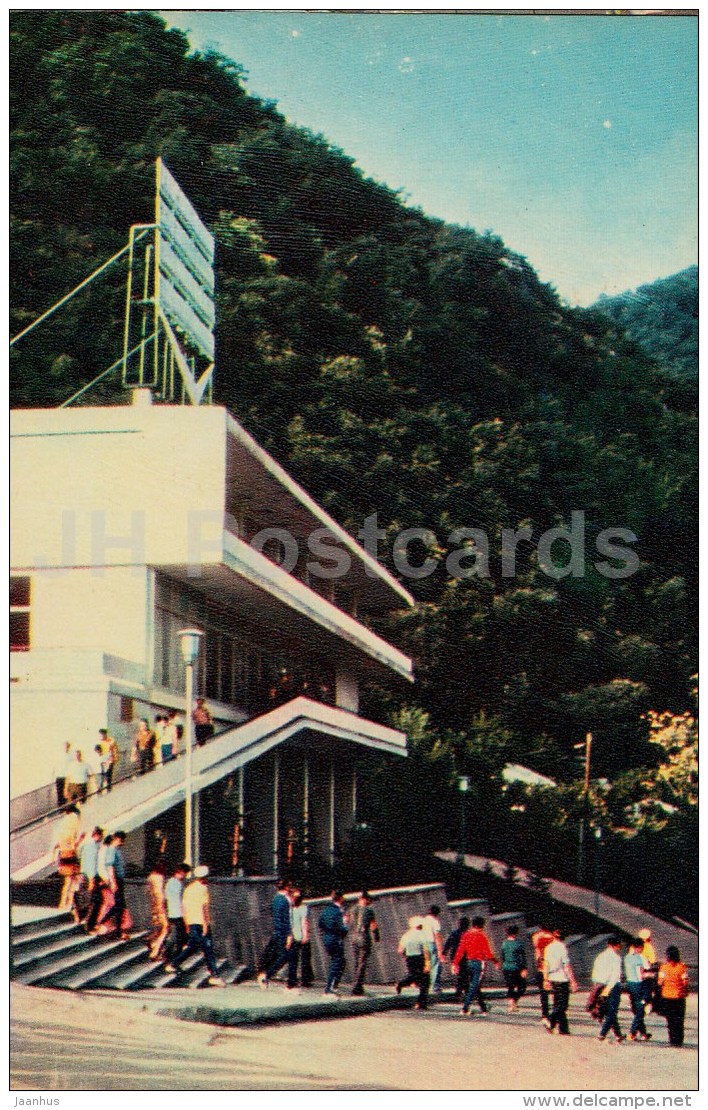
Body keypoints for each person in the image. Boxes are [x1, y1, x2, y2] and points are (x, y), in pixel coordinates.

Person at [164, 865, 225, 986]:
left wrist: (187, 923)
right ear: (204, 877)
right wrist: (206, 924)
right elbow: (204, 908)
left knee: (192, 946)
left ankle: (173, 964)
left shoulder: (188, 888)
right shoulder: (203, 889)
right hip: (201, 922)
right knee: (208, 948)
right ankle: (215, 975)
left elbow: (184, 907)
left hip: (191, 922)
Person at [452, 916, 498, 1016]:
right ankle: (465, 1008)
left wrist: (455, 963)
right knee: (475, 986)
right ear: (482, 925)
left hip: (469, 962)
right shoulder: (481, 936)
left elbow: (460, 950)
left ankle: (483, 1008)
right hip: (479, 963)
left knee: (475, 986)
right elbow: (487, 953)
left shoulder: (466, 935)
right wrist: (495, 961)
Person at [257, 880, 293, 989]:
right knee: (285, 956)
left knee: (276, 954)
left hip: (277, 931)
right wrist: (289, 935)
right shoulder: (284, 900)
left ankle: (264, 973)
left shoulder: (276, 899)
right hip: (282, 932)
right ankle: (266, 975)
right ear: (286, 887)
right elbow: (286, 920)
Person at [543, 929, 578, 1035]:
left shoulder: (548, 948)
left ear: (554, 937)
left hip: (552, 977)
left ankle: (562, 1028)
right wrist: (573, 981)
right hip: (562, 978)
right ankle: (550, 1019)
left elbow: (546, 964)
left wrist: (546, 979)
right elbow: (566, 966)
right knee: (563, 1005)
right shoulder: (562, 948)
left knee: (557, 1004)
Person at [592, 936, 626, 1043]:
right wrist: (609, 988)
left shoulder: (600, 956)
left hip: (600, 984)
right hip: (613, 986)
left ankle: (618, 1035)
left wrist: (597, 985)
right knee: (612, 1011)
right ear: (616, 945)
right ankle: (602, 1034)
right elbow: (615, 975)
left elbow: (595, 972)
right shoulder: (616, 958)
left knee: (607, 1011)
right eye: (619, 945)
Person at [318, 890, 349, 997]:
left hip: (326, 937)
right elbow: (343, 929)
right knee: (336, 962)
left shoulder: (326, 910)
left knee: (340, 961)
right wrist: (345, 924)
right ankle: (329, 988)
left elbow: (320, 923)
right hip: (336, 938)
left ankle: (334, 985)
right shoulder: (339, 912)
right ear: (340, 898)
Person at [52, 804, 84, 909]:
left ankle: (63, 903)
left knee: (68, 881)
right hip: (71, 855)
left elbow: (57, 845)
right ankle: (70, 903)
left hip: (63, 855)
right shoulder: (73, 824)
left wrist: (53, 857)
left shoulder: (63, 825)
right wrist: (81, 839)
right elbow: (74, 845)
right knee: (75, 881)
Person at [396, 916, 430, 1010]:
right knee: (425, 980)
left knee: (413, 975)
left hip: (409, 957)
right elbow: (426, 949)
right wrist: (427, 963)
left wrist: (406, 956)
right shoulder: (421, 934)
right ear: (419, 925)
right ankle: (421, 1003)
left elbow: (400, 950)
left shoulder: (406, 935)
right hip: (420, 957)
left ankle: (401, 983)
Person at [658, 946, 689, 1047]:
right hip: (679, 997)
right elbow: (685, 982)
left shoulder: (664, 967)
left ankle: (672, 1040)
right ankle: (679, 1040)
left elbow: (660, 982)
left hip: (667, 997)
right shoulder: (682, 967)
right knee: (679, 1020)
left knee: (670, 1020)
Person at [350, 890, 380, 996]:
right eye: (369, 899)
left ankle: (356, 984)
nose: (370, 901)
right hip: (364, 937)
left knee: (356, 962)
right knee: (362, 963)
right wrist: (376, 936)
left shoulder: (352, 909)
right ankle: (357, 986)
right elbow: (373, 925)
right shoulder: (369, 910)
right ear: (365, 899)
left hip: (354, 937)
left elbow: (350, 923)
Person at [101, 830, 130, 939]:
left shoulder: (116, 850)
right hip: (116, 880)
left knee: (120, 906)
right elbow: (110, 866)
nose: (122, 843)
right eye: (122, 840)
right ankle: (103, 921)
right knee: (119, 905)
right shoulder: (112, 850)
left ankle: (118, 930)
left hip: (119, 880)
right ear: (117, 839)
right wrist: (113, 882)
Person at [625, 936, 652, 1041]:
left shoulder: (627, 957)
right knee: (640, 1010)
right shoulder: (641, 957)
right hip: (639, 985)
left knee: (637, 1009)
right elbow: (643, 973)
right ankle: (632, 1032)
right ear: (641, 947)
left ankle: (644, 1033)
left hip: (630, 985)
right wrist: (651, 975)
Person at [163, 862, 190, 965]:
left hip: (171, 912)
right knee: (180, 937)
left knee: (177, 936)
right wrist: (185, 914)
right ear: (181, 872)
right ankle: (173, 957)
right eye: (185, 873)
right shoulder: (178, 884)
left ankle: (169, 954)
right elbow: (181, 901)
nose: (186, 876)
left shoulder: (169, 882)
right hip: (178, 913)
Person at [78, 825, 104, 931]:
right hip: (89, 876)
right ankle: (87, 923)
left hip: (84, 875)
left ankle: (84, 920)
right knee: (91, 900)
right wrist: (92, 879)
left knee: (86, 898)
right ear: (97, 835)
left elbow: (80, 857)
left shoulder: (86, 844)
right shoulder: (92, 846)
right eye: (101, 836)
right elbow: (91, 864)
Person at [286, 888, 309, 992]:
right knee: (304, 960)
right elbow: (304, 922)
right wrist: (306, 936)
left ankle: (291, 981)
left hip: (292, 937)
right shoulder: (303, 908)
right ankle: (305, 980)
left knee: (293, 960)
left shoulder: (289, 909)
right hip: (300, 936)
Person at [501, 924, 528, 1012]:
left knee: (510, 986)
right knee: (522, 987)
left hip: (506, 967)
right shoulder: (518, 944)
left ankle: (511, 1004)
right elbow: (522, 958)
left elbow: (502, 956)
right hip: (517, 967)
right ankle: (514, 1002)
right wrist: (524, 968)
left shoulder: (504, 943)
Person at [146, 859, 169, 960]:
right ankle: (155, 951)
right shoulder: (159, 877)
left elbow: (148, 891)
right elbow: (159, 893)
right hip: (159, 906)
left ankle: (152, 942)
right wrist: (162, 906)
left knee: (159, 928)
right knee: (166, 928)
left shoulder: (150, 877)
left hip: (153, 905)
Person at [444, 916, 470, 1002]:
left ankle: (461, 993)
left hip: (454, 956)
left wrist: (444, 952)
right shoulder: (467, 934)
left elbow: (448, 943)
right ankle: (461, 993)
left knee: (461, 975)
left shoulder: (454, 933)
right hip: (464, 956)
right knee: (463, 975)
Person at [532, 925, 555, 1023]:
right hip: (552, 969)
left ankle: (545, 1014)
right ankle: (555, 1014)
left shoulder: (536, 937)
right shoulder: (554, 939)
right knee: (555, 993)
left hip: (541, 968)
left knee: (543, 993)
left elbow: (537, 954)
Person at [422, 904, 446, 994]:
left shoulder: (424, 921)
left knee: (427, 965)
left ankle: (426, 986)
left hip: (424, 944)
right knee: (436, 965)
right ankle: (435, 987)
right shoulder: (435, 921)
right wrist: (440, 951)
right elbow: (437, 936)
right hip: (432, 944)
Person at [638, 927, 659, 1010]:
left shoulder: (633, 947)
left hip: (635, 974)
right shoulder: (649, 947)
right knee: (647, 990)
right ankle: (645, 1003)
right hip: (646, 973)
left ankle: (639, 1003)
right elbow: (652, 960)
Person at [53, 742, 72, 808]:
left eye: (67, 746)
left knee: (67, 794)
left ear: (69, 747)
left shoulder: (71, 756)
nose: (66, 748)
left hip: (66, 777)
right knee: (60, 795)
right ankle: (61, 809)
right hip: (59, 777)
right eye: (65, 746)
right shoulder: (59, 755)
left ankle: (68, 809)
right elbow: (54, 767)